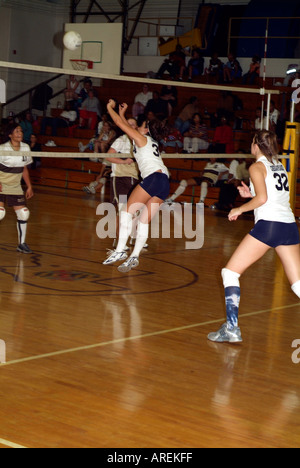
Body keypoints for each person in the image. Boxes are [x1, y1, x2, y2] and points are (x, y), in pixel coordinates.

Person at [208, 130, 300, 343]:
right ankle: (230, 329)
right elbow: (271, 196)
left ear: (256, 145)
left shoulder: (256, 166)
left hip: (269, 225)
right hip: (288, 226)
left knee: (229, 273)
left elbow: (263, 199)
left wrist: (239, 209)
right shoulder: (278, 164)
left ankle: (231, 329)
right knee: (297, 285)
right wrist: (251, 196)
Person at [103, 100, 169, 273]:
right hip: (164, 182)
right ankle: (135, 255)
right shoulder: (151, 141)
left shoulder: (142, 138)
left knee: (126, 213)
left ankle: (119, 251)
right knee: (143, 221)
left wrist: (110, 108)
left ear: (146, 129)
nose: (137, 127)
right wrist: (123, 114)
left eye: (140, 125)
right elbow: (124, 125)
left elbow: (118, 124)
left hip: (153, 178)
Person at [0, 123, 34, 253]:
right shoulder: (2, 149)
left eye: (20, 131)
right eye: (16, 131)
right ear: (10, 135)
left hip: (15, 186)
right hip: (1, 183)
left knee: (24, 214)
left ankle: (22, 244)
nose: (20, 133)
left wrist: (29, 186)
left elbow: (24, 168)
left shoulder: (25, 147)